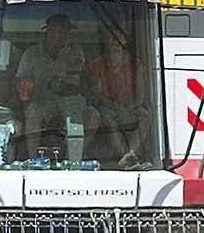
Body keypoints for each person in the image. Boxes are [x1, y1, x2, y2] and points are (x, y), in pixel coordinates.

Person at [16, 13, 94, 157]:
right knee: (32, 113)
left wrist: (66, 72)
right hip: (41, 100)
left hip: (70, 99)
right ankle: (33, 160)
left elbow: (80, 68)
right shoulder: (31, 53)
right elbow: (21, 79)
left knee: (92, 116)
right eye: (55, 30)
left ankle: (73, 159)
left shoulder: (75, 51)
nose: (60, 34)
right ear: (48, 30)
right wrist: (25, 87)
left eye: (64, 31)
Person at [88, 33, 157, 166]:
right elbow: (96, 96)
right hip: (107, 108)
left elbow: (141, 94)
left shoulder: (135, 63)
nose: (116, 42)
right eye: (111, 38)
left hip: (131, 107)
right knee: (110, 120)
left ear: (124, 41)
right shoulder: (95, 65)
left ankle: (130, 153)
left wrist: (130, 107)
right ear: (105, 42)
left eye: (119, 39)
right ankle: (124, 157)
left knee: (145, 116)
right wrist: (115, 106)